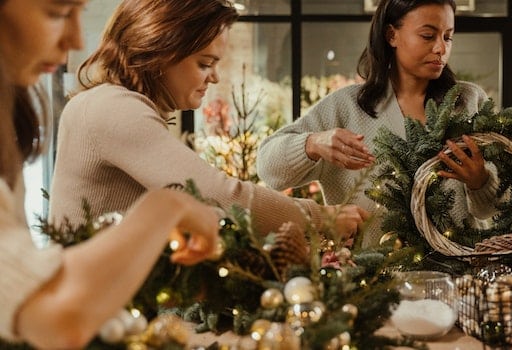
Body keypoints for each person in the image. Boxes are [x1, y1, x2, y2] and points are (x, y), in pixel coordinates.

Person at [0, 0, 222, 347]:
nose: (76, 40)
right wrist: (168, 205)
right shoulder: (112, 107)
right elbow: (57, 318)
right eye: (58, 13)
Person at [48, 0, 368, 240]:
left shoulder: (110, 104)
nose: (214, 77)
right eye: (204, 63)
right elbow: (220, 194)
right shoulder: (113, 108)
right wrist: (322, 218)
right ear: (161, 50)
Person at [257, 0, 499, 247]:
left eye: (448, 37)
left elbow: (499, 206)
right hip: (371, 270)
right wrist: (312, 143)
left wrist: (480, 181)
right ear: (391, 35)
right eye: (428, 36)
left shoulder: (468, 102)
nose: (441, 48)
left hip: (465, 267)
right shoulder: (346, 107)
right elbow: (269, 170)